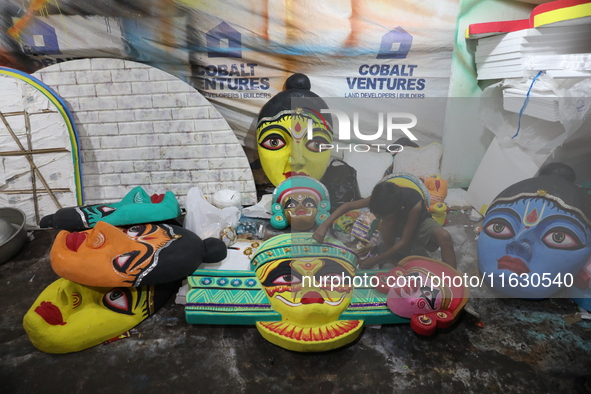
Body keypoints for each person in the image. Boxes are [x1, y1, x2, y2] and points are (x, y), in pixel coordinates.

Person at [313, 180, 457, 269]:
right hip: (395, 222)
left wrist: (376, 259)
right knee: (388, 221)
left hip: (418, 222)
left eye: (384, 214)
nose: (380, 216)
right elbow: (347, 205)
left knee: (445, 237)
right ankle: (390, 256)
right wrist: (324, 225)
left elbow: (405, 240)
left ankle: (452, 281)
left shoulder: (415, 204)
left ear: (399, 209)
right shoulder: (381, 198)